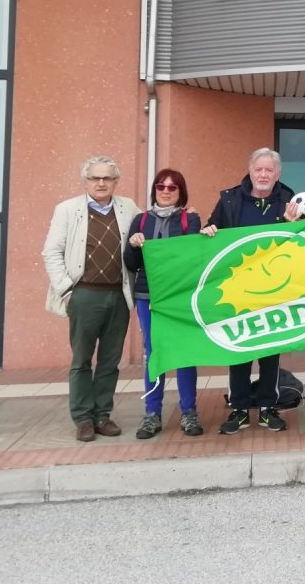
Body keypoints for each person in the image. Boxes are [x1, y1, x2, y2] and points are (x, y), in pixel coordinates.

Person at [201, 147, 298, 435]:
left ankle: (269, 407)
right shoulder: (229, 199)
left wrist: (301, 224)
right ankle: (239, 408)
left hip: (275, 290)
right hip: (238, 291)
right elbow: (211, 230)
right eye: (259, 169)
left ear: (277, 174)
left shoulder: (289, 201)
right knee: (239, 350)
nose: (264, 175)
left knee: (270, 351)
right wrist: (208, 230)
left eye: (269, 170)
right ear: (250, 171)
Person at [42, 156, 140, 443]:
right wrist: (67, 291)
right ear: (86, 181)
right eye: (95, 178)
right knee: (82, 360)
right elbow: (51, 252)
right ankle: (83, 417)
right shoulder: (68, 210)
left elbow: (149, 234)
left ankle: (102, 414)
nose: (101, 183)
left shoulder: (129, 208)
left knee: (110, 361)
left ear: (115, 181)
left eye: (107, 178)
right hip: (84, 294)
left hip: (118, 295)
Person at [123, 168, 203, 439]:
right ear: (154, 190)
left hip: (180, 296)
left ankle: (189, 412)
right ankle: (152, 413)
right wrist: (134, 247)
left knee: (185, 353)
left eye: (172, 188)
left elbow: (191, 256)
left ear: (181, 192)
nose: (166, 191)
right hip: (149, 297)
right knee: (153, 354)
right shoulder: (140, 220)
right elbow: (131, 264)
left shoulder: (189, 218)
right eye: (161, 187)